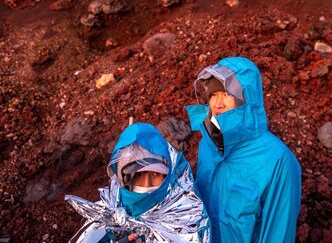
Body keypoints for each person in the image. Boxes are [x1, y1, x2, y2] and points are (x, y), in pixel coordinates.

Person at [186, 57, 301, 243]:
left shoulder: (277, 160)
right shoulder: (208, 145)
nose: (217, 104)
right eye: (213, 95)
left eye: (227, 95)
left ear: (247, 100)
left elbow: (278, 234)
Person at [66, 123, 210, 243]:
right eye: (138, 175)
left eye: (154, 174)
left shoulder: (186, 218)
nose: (146, 184)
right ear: (122, 177)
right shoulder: (107, 215)